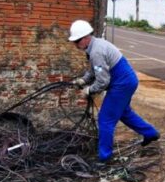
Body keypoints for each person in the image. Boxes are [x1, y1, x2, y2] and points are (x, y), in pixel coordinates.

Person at [68, 19, 160, 163]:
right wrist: (83, 80)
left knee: (105, 119)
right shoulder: (95, 46)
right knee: (124, 113)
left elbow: (103, 81)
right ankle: (150, 133)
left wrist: (89, 90)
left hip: (122, 84)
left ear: (85, 38)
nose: (75, 45)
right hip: (126, 81)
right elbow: (94, 70)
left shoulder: (96, 51)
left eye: (77, 41)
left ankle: (105, 157)